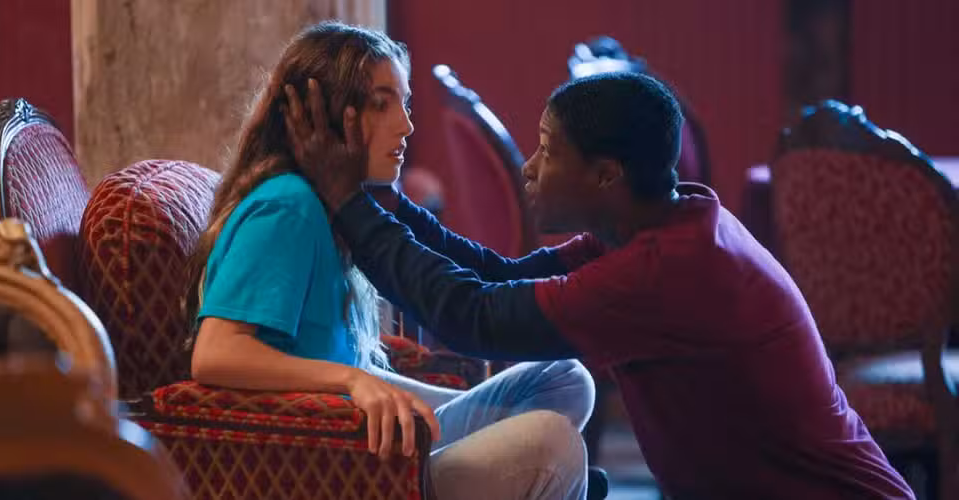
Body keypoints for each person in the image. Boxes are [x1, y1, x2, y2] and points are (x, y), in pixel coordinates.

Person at [286, 69, 917, 499]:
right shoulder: (654, 223)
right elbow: (500, 276)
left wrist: (349, 203)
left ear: (607, 175)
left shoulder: (665, 271)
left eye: (547, 150)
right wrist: (388, 204)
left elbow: (473, 317)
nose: (530, 168)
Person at [186, 22, 594, 500]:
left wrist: (409, 397)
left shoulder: (333, 206)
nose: (406, 125)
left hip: (367, 435)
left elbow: (326, 353)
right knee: (554, 443)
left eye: (405, 103)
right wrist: (353, 378)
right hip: (339, 461)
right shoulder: (288, 206)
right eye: (382, 104)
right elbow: (215, 354)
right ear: (328, 117)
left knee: (565, 380)